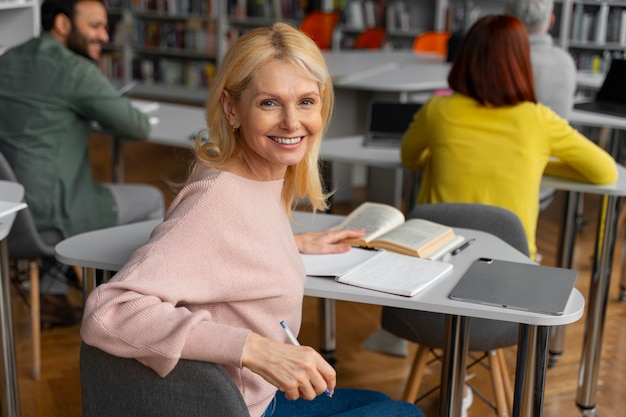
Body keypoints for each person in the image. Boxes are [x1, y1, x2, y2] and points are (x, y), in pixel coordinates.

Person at [80, 22, 425, 417]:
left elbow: (222, 247)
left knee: (385, 405)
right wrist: (252, 348)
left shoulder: (259, 173)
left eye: (306, 102)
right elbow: (110, 312)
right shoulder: (217, 198)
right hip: (242, 406)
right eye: (269, 103)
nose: (292, 122)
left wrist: (289, 244)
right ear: (232, 108)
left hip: (261, 397)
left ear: (322, 102)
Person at [0, 0, 165, 327]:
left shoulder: (7, 60)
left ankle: (53, 296)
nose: (104, 35)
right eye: (94, 26)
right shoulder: (74, 70)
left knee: (53, 184)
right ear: (62, 25)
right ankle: (124, 305)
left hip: (10, 210)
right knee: (151, 199)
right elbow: (136, 127)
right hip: (51, 211)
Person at [401, 14, 617, 261]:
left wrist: (442, 156)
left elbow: (410, 158)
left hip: (436, 255)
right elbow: (604, 172)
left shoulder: (437, 109)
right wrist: (535, 163)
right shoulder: (539, 119)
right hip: (511, 259)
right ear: (521, 62)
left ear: (465, 58)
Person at [504, 0, 577, 119]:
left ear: (506, 21)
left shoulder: (501, 60)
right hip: (555, 137)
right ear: (551, 21)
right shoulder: (566, 61)